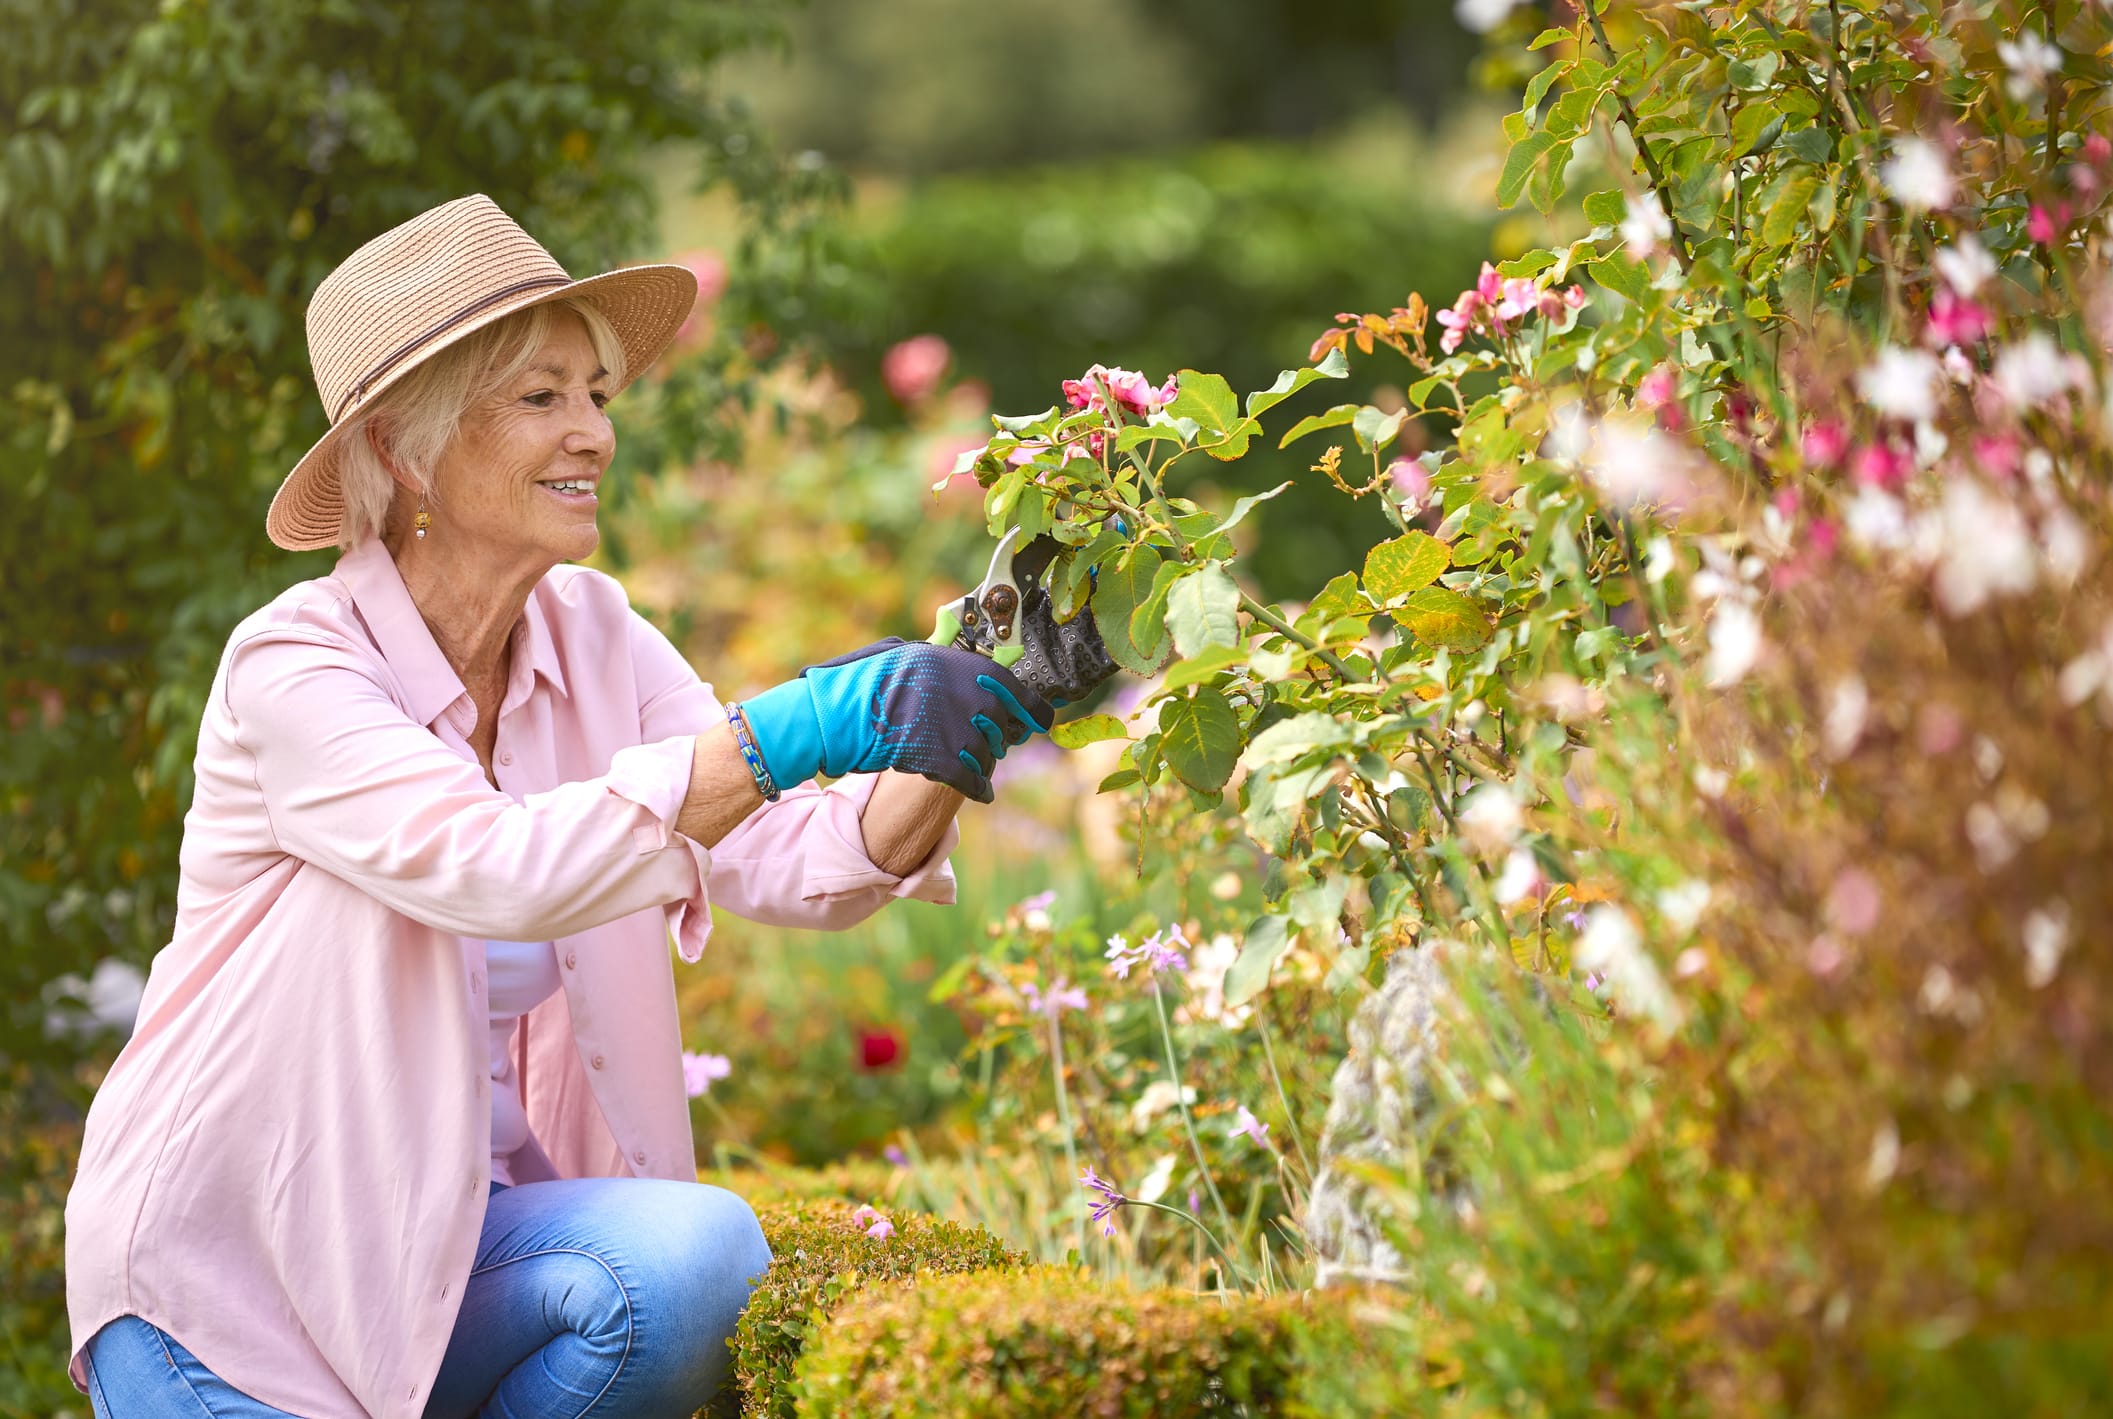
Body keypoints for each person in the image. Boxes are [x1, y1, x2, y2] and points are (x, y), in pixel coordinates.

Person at [62, 194, 1055, 1418]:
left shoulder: (595, 633)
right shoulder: (297, 667)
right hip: (227, 1284)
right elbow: (496, 865)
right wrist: (804, 722)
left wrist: (959, 720)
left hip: (442, 1250)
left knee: (690, 1263)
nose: (593, 432)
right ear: (398, 448)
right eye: (542, 399)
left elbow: (796, 860)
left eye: (597, 394)